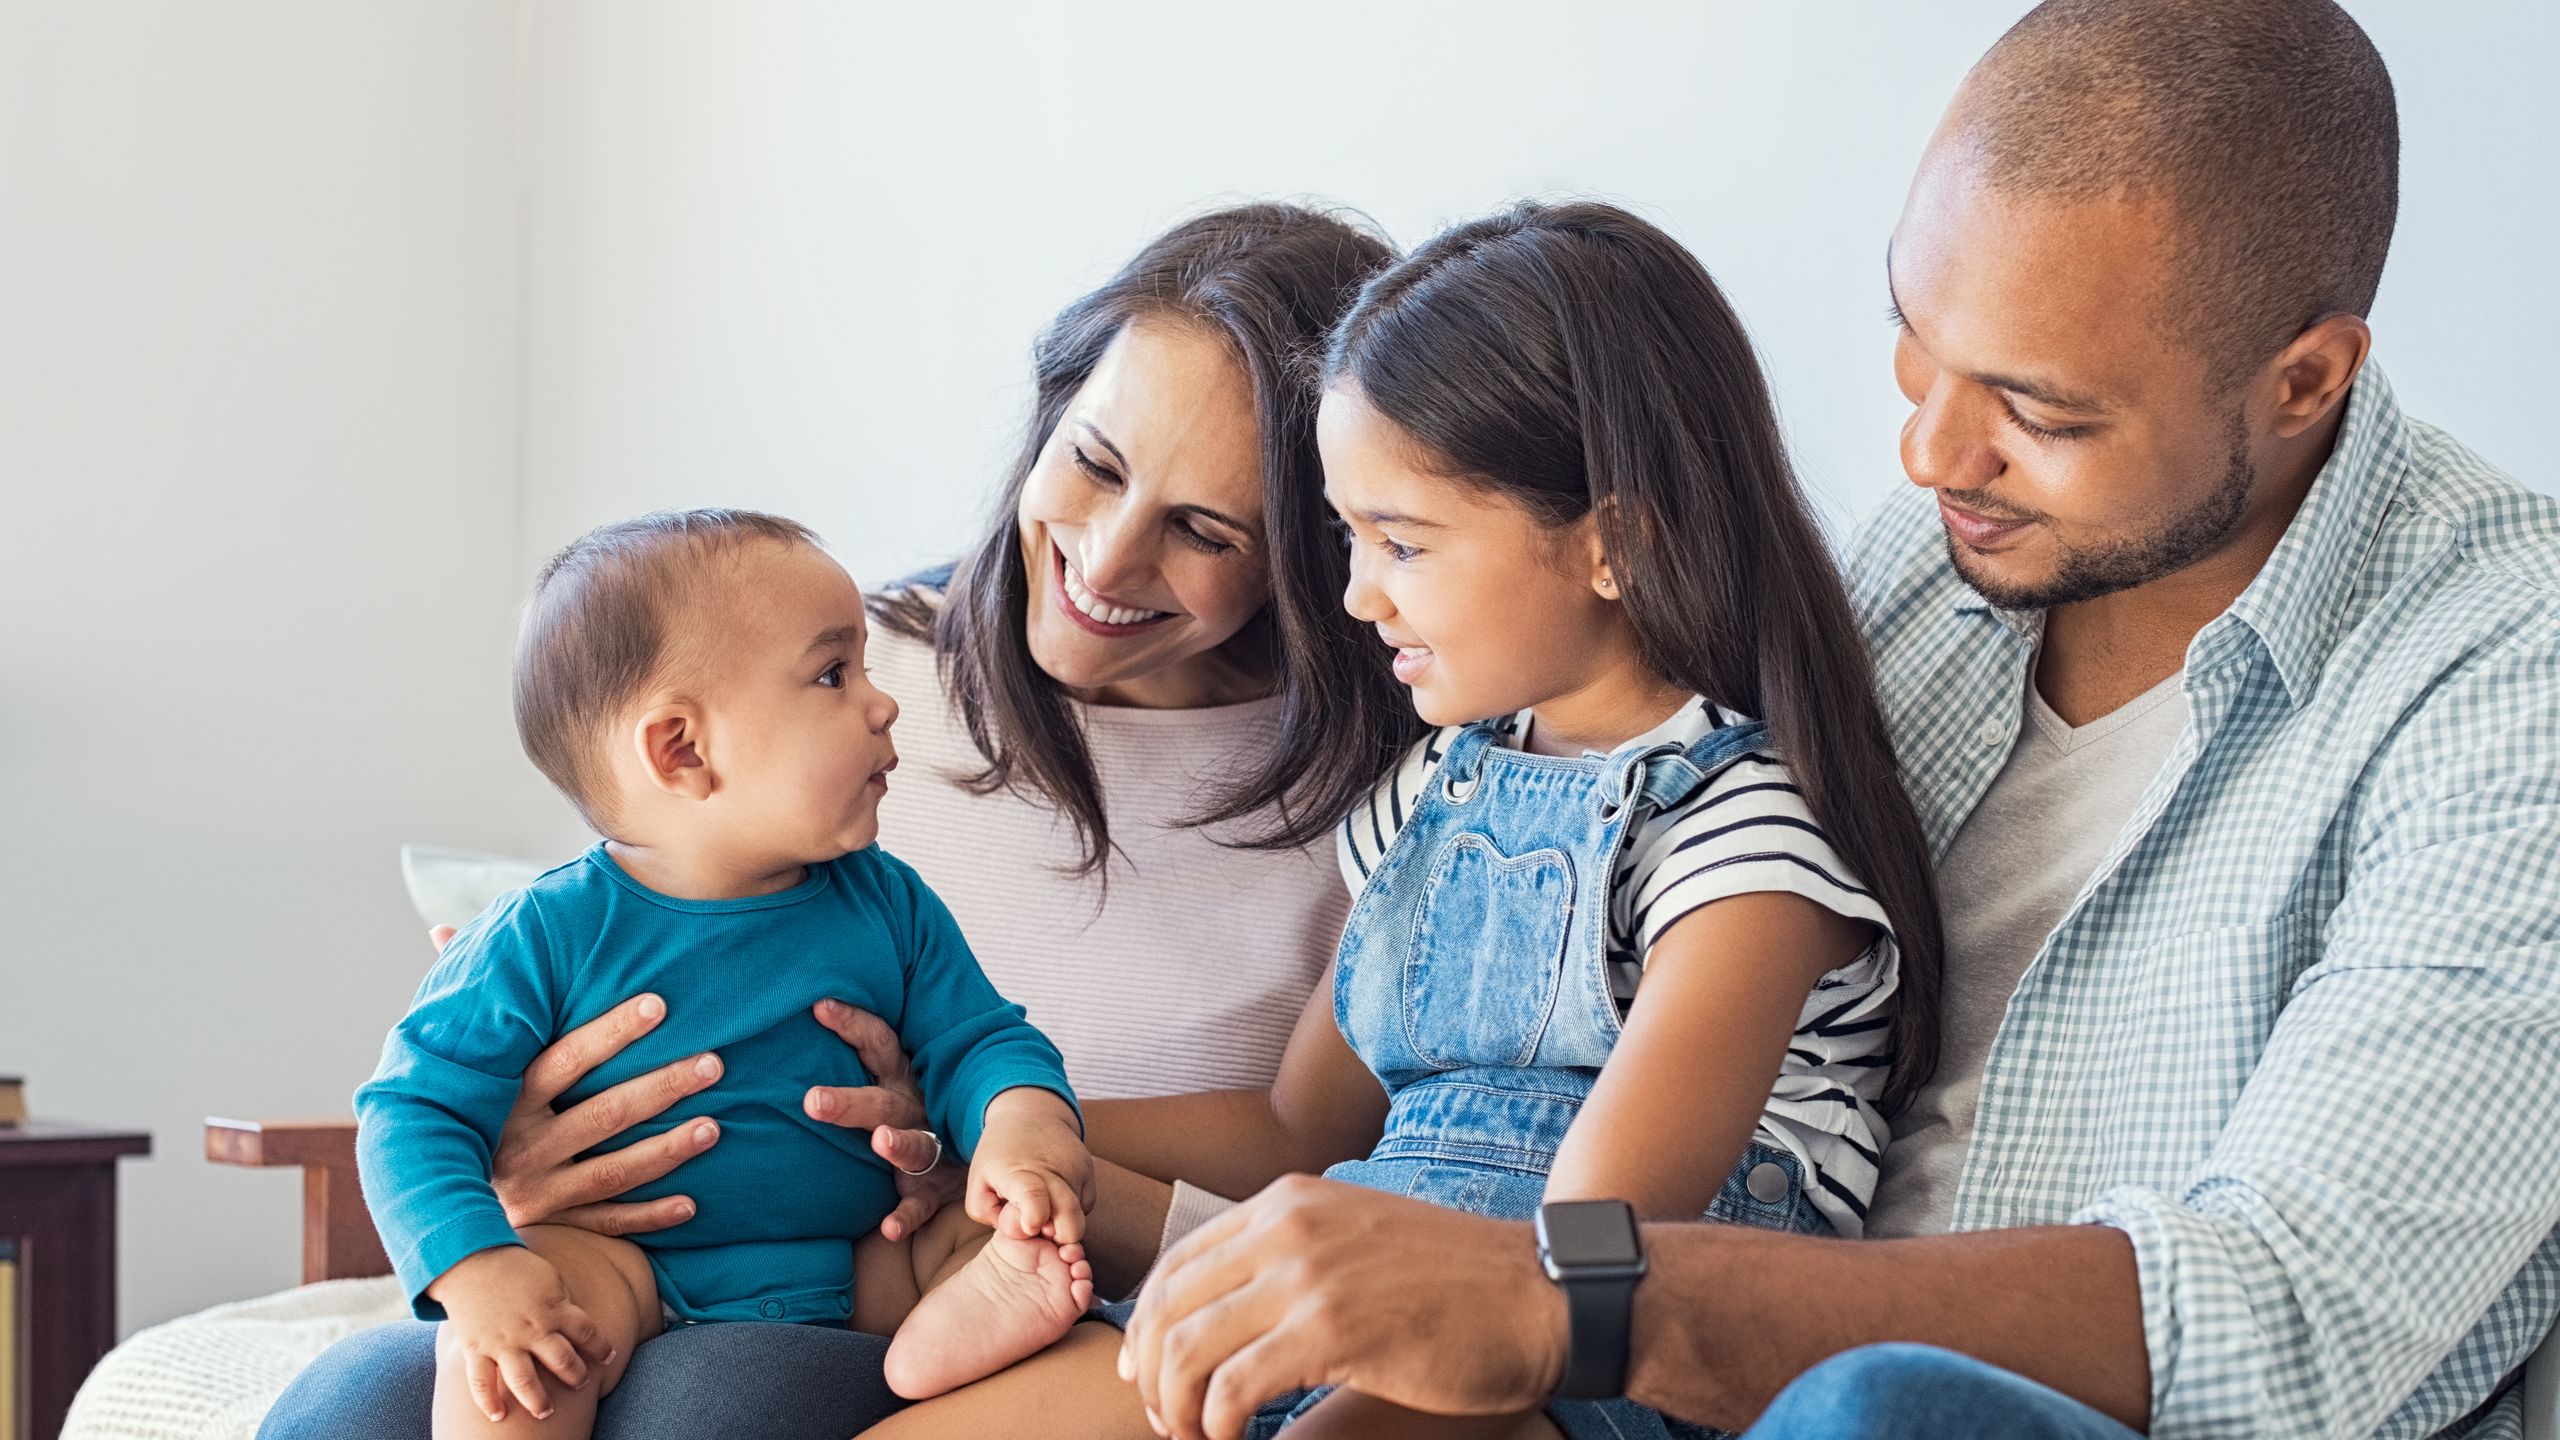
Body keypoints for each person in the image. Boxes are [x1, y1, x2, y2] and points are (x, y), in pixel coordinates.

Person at [1115, 4, 2560, 1439]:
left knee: (1875, 1407)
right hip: (1706, 1381)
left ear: (2306, 380)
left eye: (2038, 413)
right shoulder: (1940, 558)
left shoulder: (2507, 673)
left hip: (1907, 1398)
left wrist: (1575, 1297)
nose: (1928, 452)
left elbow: (2291, 1314)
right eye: (1915, 343)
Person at [258, 203, 1412, 1440]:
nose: (1105, 561)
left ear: (1317, 545)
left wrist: (974, 1133)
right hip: (651, 1241)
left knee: (710, 1406)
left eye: (1203, 529)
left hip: (969, 1264)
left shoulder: (1394, 798)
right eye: (1094, 461)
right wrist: (505, 1179)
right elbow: (625, 928)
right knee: (350, 1405)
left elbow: (1313, 1150)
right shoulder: (827, 675)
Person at [864, 201, 1948, 1439]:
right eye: (1346, 533)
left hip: (1569, 1359)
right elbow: (1296, 1130)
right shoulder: (1431, 796)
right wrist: (1002, 1134)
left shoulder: (1738, 847)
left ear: (1615, 547)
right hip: (1357, 1291)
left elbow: (1585, 1261)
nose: (1350, 592)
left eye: (1402, 542)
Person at [356, 509, 1104, 1436]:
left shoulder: (888, 902)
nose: (883, 702)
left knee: (997, 1243)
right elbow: (411, 1111)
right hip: (628, 1264)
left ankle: (953, 1326)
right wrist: (479, 1275)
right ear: (683, 750)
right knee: (516, 1367)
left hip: (863, 1252)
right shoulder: (545, 932)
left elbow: (980, 1038)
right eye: (835, 674)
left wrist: (1022, 1129)